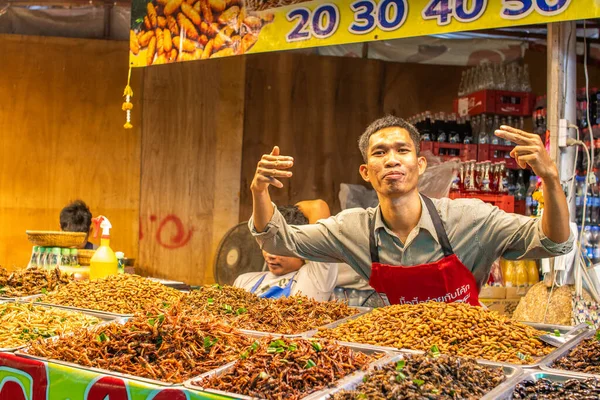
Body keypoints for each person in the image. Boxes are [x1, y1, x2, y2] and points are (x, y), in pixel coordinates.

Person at [248, 115, 573, 306]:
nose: (391, 159)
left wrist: (551, 178)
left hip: (467, 360)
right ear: (365, 171)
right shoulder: (351, 230)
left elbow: (553, 241)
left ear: (419, 165)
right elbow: (278, 241)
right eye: (379, 152)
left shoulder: (470, 219)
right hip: (398, 362)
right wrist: (259, 190)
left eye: (402, 150)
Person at [234, 202, 338, 301]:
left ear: (301, 245)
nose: (270, 255)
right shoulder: (243, 281)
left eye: (279, 248)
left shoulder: (316, 278)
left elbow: (318, 206)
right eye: (268, 247)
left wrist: (292, 213)